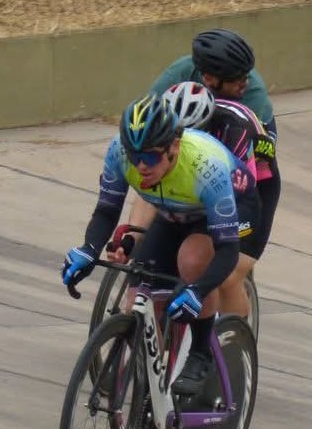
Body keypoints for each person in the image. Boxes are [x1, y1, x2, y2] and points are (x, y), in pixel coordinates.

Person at [61, 93, 254, 398]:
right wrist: (88, 250)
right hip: (172, 211)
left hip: (228, 209)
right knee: (138, 294)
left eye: (150, 158)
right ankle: (150, 391)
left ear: (174, 146)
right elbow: (107, 211)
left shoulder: (207, 168)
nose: (140, 166)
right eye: (134, 156)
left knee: (192, 261)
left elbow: (227, 251)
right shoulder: (119, 153)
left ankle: (200, 353)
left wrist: (198, 290)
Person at [147, 28, 282, 281]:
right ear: (209, 78)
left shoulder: (252, 95)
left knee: (227, 275)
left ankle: (234, 302)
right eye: (237, 78)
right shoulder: (177, 76)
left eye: (246, 74)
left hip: (246, 167)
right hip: (190, 146)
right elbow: (146, 133)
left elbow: (240, 178)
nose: (245, 82)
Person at [158, 80, 274, 317]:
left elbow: (239, 197)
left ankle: (232, 337)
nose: (182, 144)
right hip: (201, 191)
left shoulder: (234, 133)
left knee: (226, 276)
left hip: (249, 191)